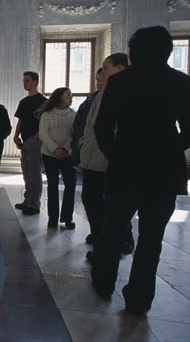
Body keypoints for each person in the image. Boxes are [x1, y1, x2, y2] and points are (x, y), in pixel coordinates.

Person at [90, 26, 190, 315]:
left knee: (112, 230)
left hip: (126, 167)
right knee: (151, 239)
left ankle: (103, 282)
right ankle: (139, 298)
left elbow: (102, 128)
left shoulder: (120, 82)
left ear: (134, 51)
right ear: (167, 50)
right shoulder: (181, 82)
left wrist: (116, 155)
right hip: (164, 172)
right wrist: (170, 149)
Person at [79, 54, 128, 246]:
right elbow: (89, 126)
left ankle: (111, 241)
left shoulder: (123, 94)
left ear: (119, 68)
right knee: (90, 199)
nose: (102, 73)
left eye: (105, 68)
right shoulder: (99, 96)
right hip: (91, 158)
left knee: (111, 205)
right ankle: (98, 235)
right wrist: (83, 146)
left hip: (109, 160)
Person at [38, 87, 77, 229]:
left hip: (67, 155)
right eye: (68, 95)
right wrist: (55, 149)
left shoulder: (73, 115)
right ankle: (52, 218)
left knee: (70, 185)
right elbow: (43, 133)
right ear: (60, 97)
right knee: (52, 185)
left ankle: (67, 217)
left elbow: (75, 134)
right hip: (49, 154)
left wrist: (65, 149)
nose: (71, 97)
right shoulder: (47, 114)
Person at [13, 72, 47, 215]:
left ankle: (34, 204)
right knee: (27, 173)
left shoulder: (43, 101)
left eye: (27, 80)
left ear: (35, 82)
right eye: (23, 80)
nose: (24, 83)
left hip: (35, 140)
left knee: (34, 173)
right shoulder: (24, 102)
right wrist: (16, 136)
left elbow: (45, 121)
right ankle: (28, 200)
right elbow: (20, 120)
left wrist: (36, 136)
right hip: (25, 140)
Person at [71, 67, 103, 168]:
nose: (100, 83)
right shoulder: (88, 102)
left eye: (103, 80)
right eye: (98, 80)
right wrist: (81, 144)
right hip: (88, 151)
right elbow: (78, 127)